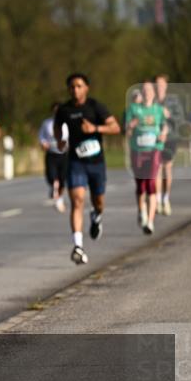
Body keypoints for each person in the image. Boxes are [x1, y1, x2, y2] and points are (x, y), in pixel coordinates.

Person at [54, 73, 121, 265]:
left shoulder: (95, 106)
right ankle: (78, 246)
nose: (75, 90)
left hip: (96, 163)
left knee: (98, 201)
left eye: (79, 86)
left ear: (86, 88)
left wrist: (95, 129)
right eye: (72, 87)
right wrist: (60, 140)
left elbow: (115, 127)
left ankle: (96, 216)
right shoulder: (64, 110)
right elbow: (57, 127)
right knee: (77, 200)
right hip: (76, 162)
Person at [124, 80, 168, 234]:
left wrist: (163, 134)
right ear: (141, 93)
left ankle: (150, 221)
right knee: (140, 185)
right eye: (144, 90)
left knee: (151, 184)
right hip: (138, 150)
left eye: (149, 90)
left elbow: (165, 125)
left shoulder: (158, 110)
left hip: (154, 149)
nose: (146, 92)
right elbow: (127, 131)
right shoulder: (134, 109)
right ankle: (140, 210)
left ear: (154, 93)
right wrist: (130, 126)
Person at [38, 102, 69, 213]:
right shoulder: (47, 123)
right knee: (52, 176)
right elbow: (41, 136)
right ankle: (55, 192)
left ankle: (59, 197)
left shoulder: (67, 124)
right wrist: (43, 143)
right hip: (51, 153)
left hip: (64, 154)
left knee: (62, 179)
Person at [154, 75, 177, 216]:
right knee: (157, 168)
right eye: (157, 84)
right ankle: (156, 200)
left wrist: (169, 117)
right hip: (154, 139)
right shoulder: (151, 100)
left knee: (167, 167)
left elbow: (180, 119)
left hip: (170, 139)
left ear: (166, 85)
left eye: (162, 84)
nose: (159, 86)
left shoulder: (173, 101)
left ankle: (165, 199)